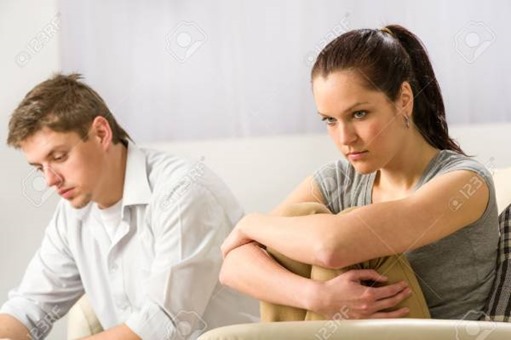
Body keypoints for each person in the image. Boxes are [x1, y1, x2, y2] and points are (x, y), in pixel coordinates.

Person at [220, 25, 499, 322]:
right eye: (330, 120)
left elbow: (333, 248)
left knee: (345, 237)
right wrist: (317, 296)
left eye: (359, 114)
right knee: (299, 218)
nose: (345, 138)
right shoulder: (338, 179)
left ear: (404, 99)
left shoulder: (465, 181)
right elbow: (232, 266)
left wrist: (250, 223)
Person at [0, 74, 258, 339]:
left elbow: (160, 326)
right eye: (39, 168)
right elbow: (28, 307)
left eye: (59, 157)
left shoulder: (182, 192)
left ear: (101, 133)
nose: (49, 180)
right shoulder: (72, 215)